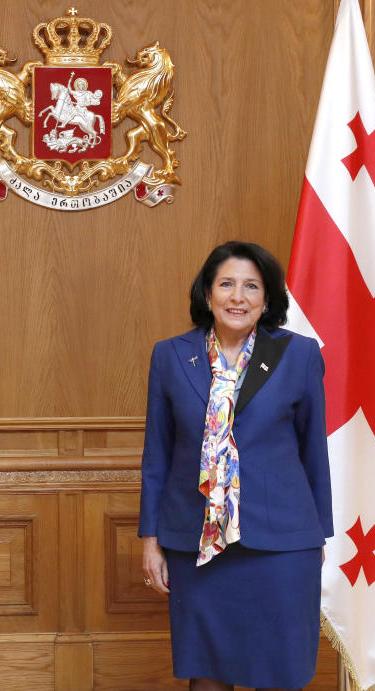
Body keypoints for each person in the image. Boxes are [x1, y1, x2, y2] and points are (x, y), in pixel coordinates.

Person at [139, 241, 332, 691]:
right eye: (226, 284)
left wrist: (317, 533)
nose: (238, 297)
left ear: (267, 300)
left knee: (279, 671)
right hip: (198, 545)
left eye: (251, 286)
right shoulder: (170, 356)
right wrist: (151, 538)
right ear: (208, 294)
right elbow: (158, 454)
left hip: (282, 543)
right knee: (207, 671)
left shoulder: (299, 354)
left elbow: (313, 451)